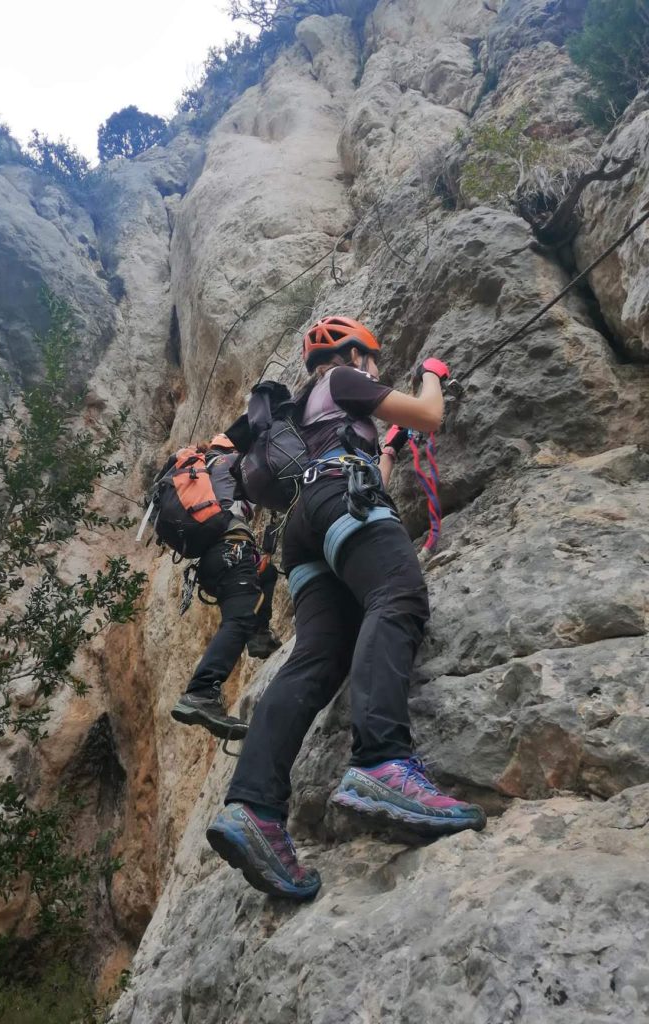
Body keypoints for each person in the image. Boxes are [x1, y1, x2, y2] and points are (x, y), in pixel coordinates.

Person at [205, 317, 487, 900]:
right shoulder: (345, 381)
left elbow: (356, 469)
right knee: (397, 593)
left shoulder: (307, 408)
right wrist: (432, 373)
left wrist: (385, 448)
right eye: (374, 361)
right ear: (356, 353)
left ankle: (253, 807)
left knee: (316, 657)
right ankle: (384, 762)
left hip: (303, 529)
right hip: (340, 501)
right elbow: (430, 414)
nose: (376, 370)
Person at [171, 434, 281, 742]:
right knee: (239, 617)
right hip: (232, 550)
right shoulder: (231, 463)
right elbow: (272, 469)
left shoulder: (204, 471)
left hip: (213, 560)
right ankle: (202, 691)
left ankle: (259, 637)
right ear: (232, 449)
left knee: (266, 574)